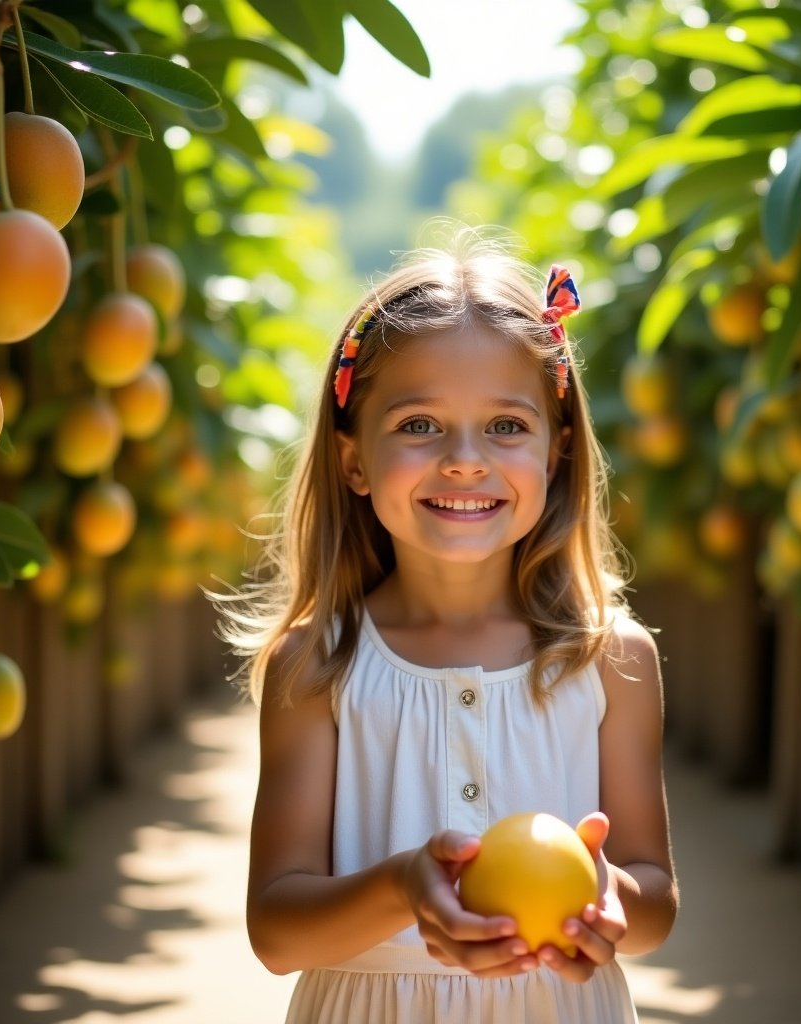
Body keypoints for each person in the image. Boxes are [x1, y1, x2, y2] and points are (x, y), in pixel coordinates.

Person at [219, 232, 678, 1023]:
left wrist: (605, 895)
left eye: (506, 426)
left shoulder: (610, 660)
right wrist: (404, 887)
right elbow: (276, 931)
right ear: (354, 461)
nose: (465, 459)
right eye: (419, 425)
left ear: (557, 454)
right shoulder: (319, 664)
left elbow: (657, 903)